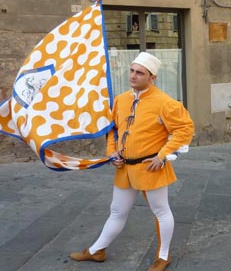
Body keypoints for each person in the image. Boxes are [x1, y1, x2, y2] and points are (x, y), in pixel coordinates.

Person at [69, 52, 194, 271]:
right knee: (117, 212)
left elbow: (185, 129)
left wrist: (163, 154)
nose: (133, 76)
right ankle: (97, 250)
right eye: (132, 71)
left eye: (140, 73)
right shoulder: (121, 100)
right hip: (124, 167)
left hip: (150, 167)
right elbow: (113, 130)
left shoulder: (165, 102)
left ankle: (163, 256)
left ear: (152, 77)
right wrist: (112, 153)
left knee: (161, 211)